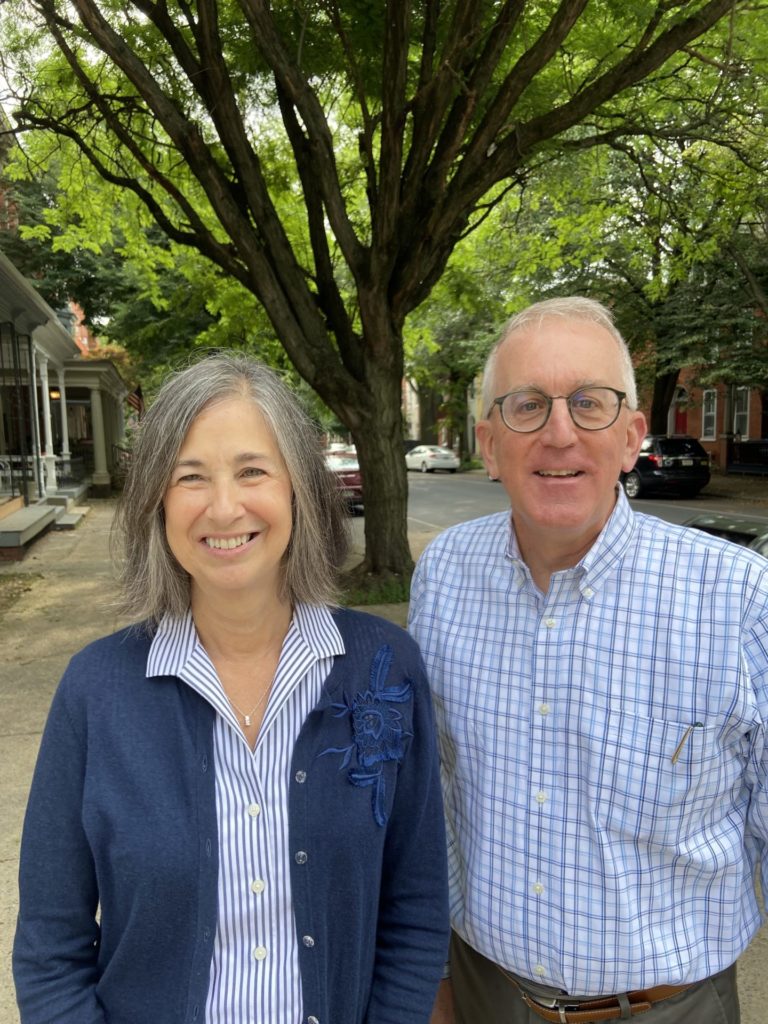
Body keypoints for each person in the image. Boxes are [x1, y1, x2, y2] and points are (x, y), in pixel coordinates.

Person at [14, 353, 449, 1024]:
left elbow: (415, 909)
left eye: (252, 471)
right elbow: (50, 946)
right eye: (191, 477)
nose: (224, 507)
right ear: (157, 502)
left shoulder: (384, 668)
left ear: (298, 487)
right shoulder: (96, 691)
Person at [408, 296, 768, 1024]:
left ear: (633, 435)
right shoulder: (443, 575)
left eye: (590, 404)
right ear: (487, 441)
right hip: (484, 994)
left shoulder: (740, 600)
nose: (560, 433)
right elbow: (431, 799)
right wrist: (436, 989)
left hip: (669, 1010)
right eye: (528, 406)